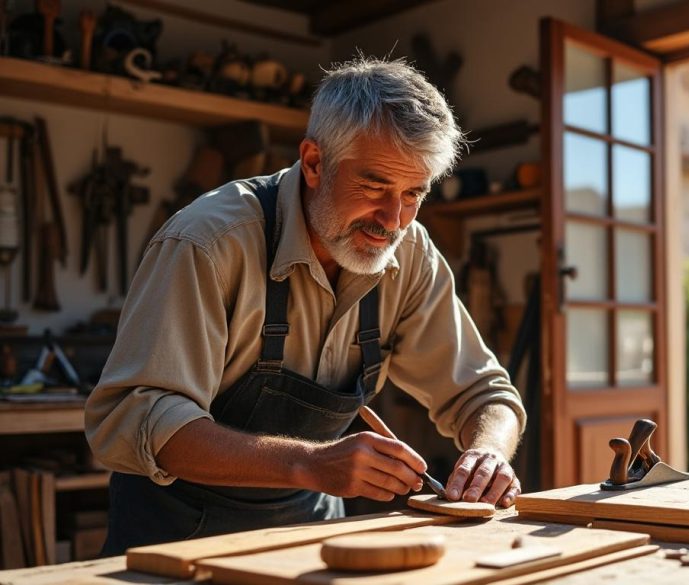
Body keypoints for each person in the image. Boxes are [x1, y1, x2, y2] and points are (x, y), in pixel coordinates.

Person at [85, 57, 526, 555]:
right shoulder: (208, 242)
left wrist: (488, 452)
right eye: (375, 186)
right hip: (176, 540)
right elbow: (139, 417)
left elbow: (485, 393)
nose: (392, 220)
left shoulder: (409, 254)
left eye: (413, 193)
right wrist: (311, 464)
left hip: (306, 537)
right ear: (315, 162)